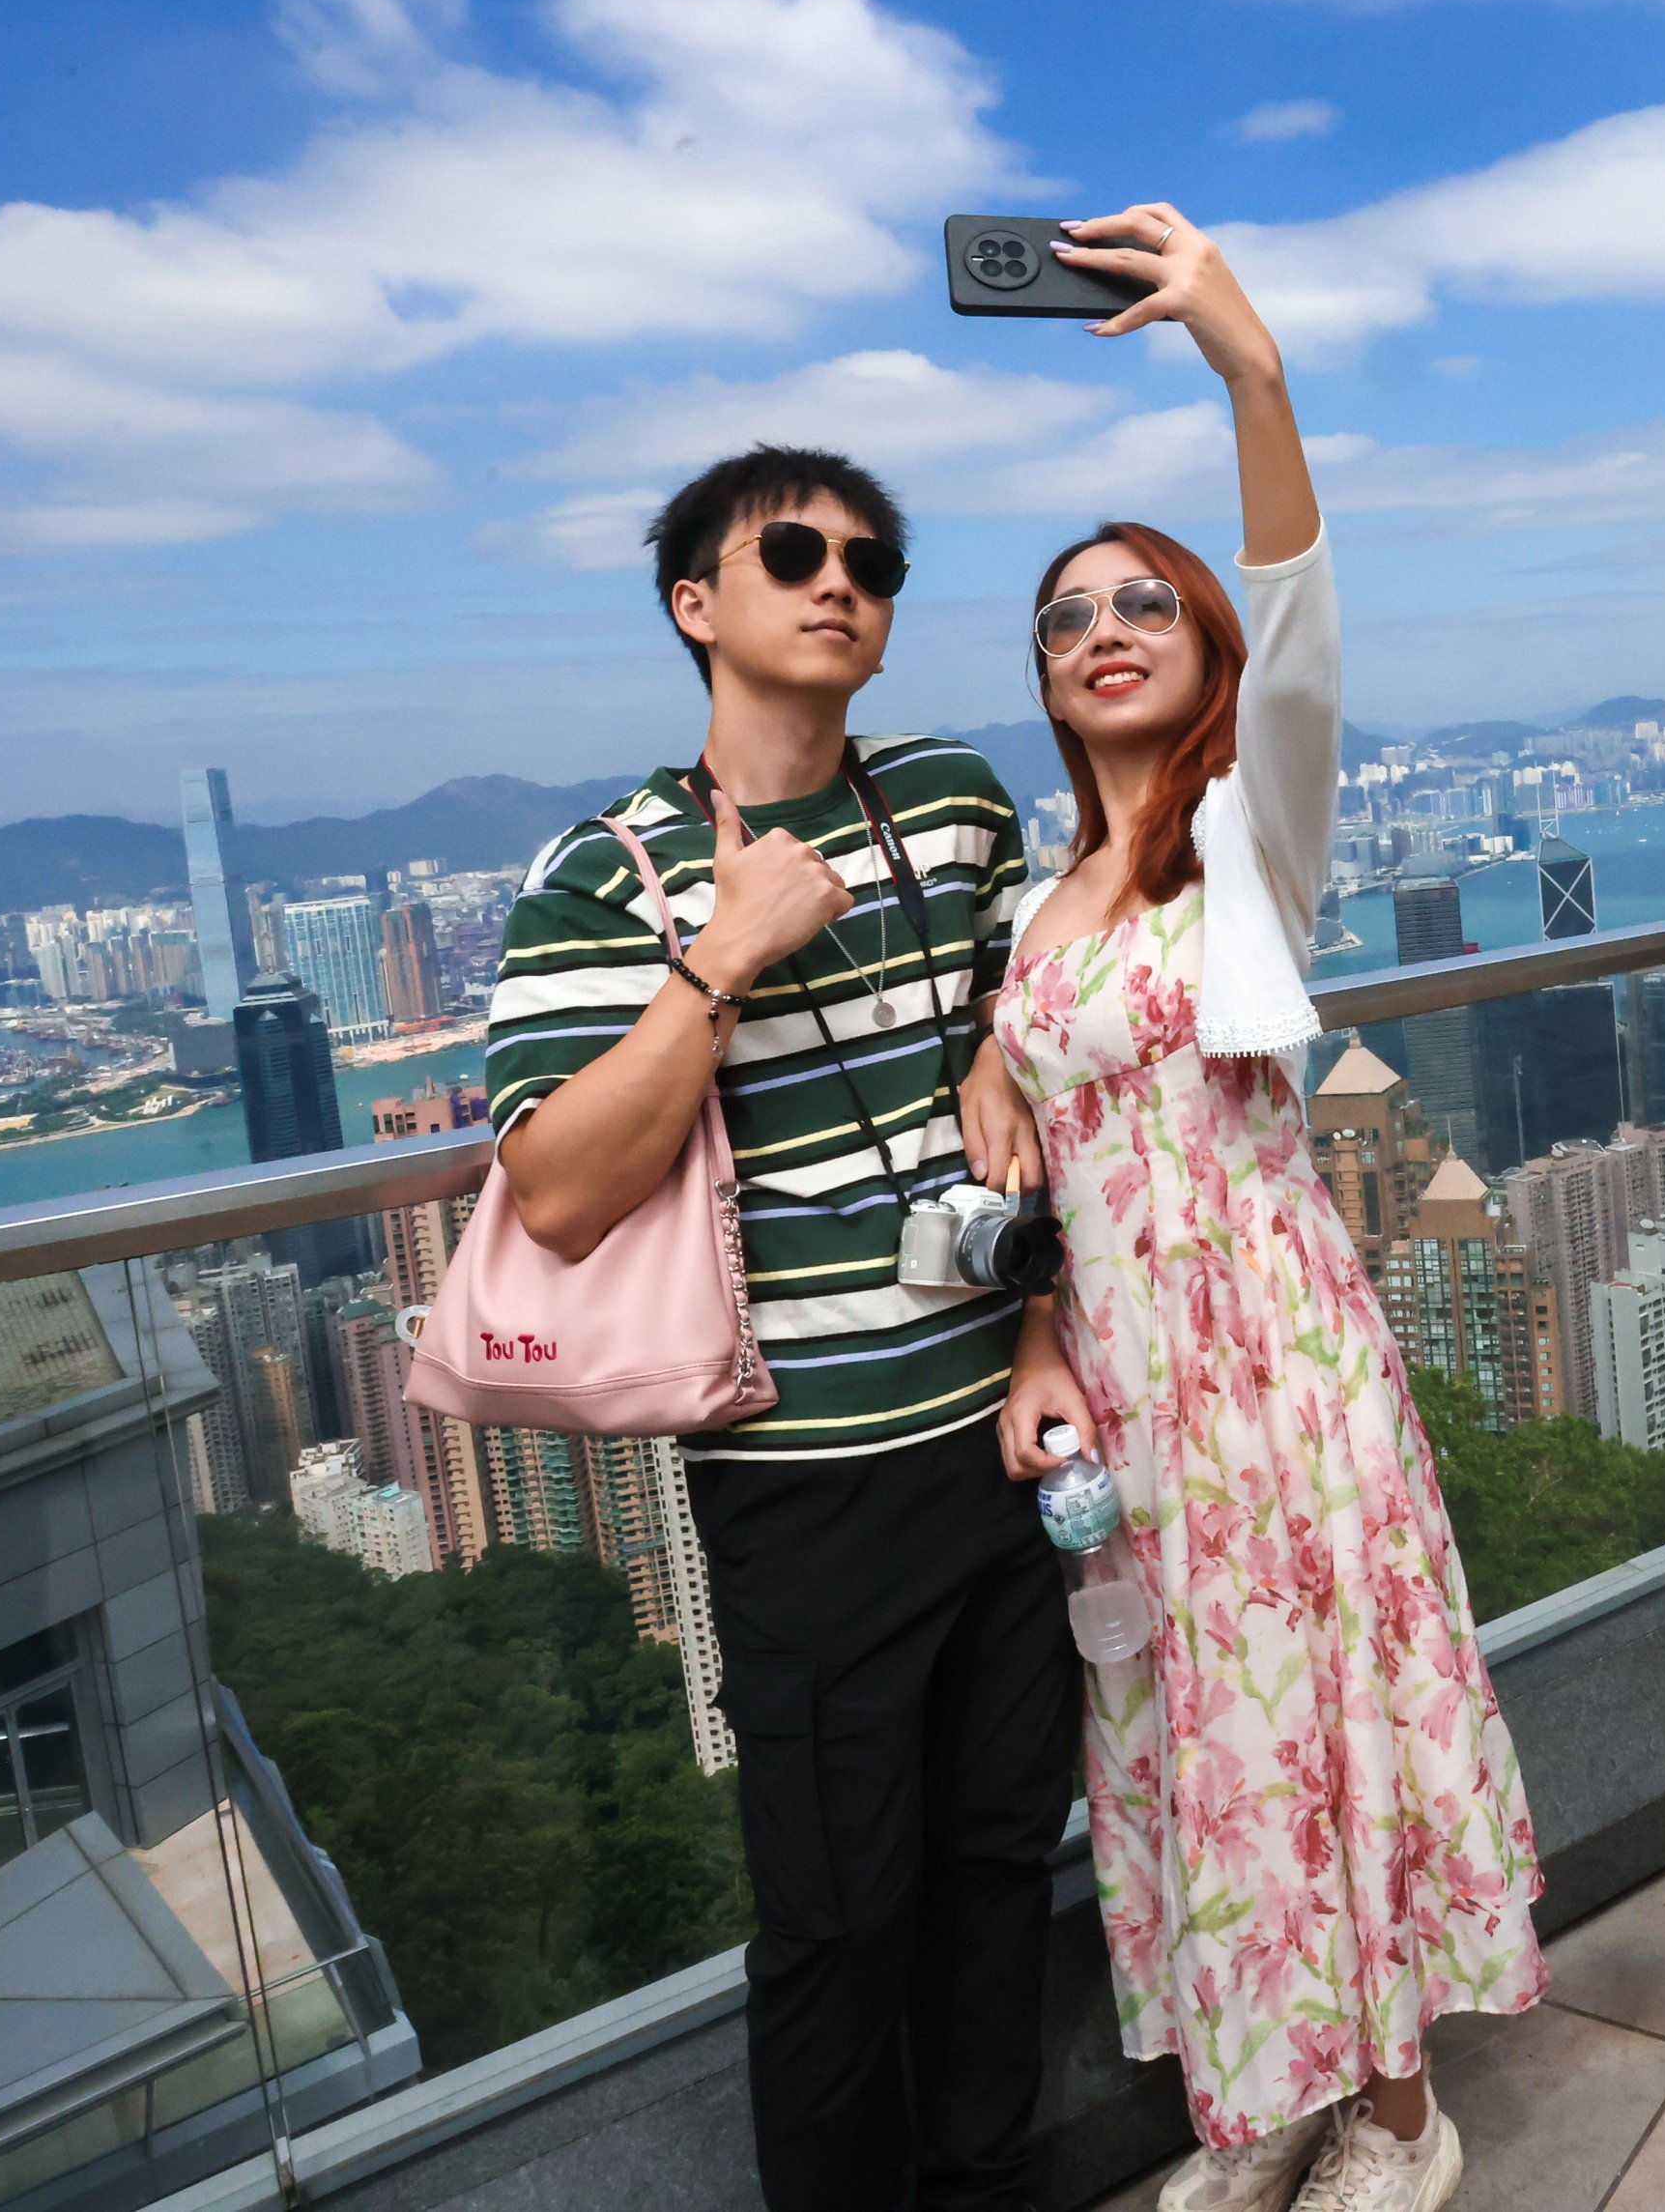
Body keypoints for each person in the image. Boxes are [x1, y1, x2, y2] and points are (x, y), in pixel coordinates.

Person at [989, 204, 1538, 2212]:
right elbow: (1039, 1169)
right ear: (1042, 678)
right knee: (1191, 1754)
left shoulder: (1244, 850)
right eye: (1066, 614)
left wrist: (1250, 365)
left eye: (1146, 600)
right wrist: (1041, 1339)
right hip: (1127, 1402)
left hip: (1275, 1372)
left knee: (1322, 1730)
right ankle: (1269, 2093)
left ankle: (1400, 2112)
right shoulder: (1030, 915)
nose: (1105, 626)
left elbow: (1305, 631)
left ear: (1203, 646)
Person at [486, 446, 1062, 2211]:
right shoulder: (611, 870)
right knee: (832, 1920)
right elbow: (559, 1190)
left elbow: (1035, 989)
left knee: (998, 1868)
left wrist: (994, 1044)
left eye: (873, 563)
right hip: (799, 1486)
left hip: (1003, 1445)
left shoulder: (957, 800)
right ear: (696, 606)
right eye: (794, 552)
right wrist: (722, 958)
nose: (841, 583)